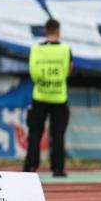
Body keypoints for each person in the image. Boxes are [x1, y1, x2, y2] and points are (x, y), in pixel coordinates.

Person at [24, 19, 72, 177]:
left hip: (40, 96)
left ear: (45, 30)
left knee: (35, 133)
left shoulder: (36, 49)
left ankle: (31, 166)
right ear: (58, 31)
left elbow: (33, 73)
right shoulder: (65, 49)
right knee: (57, 135)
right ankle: (58, 168)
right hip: (59, 97)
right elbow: (67, 71)